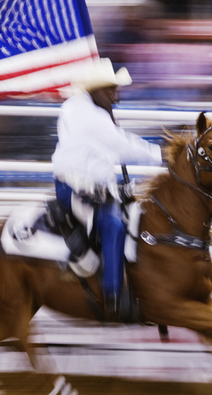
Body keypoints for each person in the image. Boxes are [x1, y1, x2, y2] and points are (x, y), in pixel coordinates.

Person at [51, 58, 163, 321]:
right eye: (111, 90)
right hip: (77, 187)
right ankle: (112, 298)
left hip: (90, 184)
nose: (116, 95)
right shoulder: (89, 115)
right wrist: (162, 155)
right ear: (95, 90)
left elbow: (106, 148)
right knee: (113, 224)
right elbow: (121, 145)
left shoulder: (83, 108)